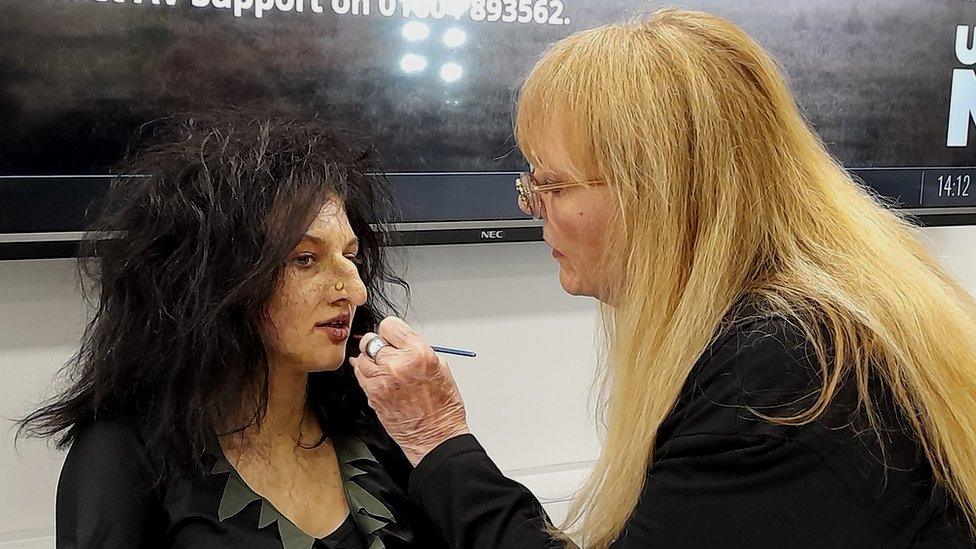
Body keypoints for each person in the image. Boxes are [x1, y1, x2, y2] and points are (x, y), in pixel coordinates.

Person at [349, 9, 976, 549]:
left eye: (553, 183)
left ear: (658, 194)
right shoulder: (836, 310)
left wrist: (438, 440)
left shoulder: (786, 376)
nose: (532, 205)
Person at [19, 111, 447, 549]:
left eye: (351, 257)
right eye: (304, 259)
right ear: (217, 279)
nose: (355, 292)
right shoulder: (122, 456)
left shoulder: (379, 423)